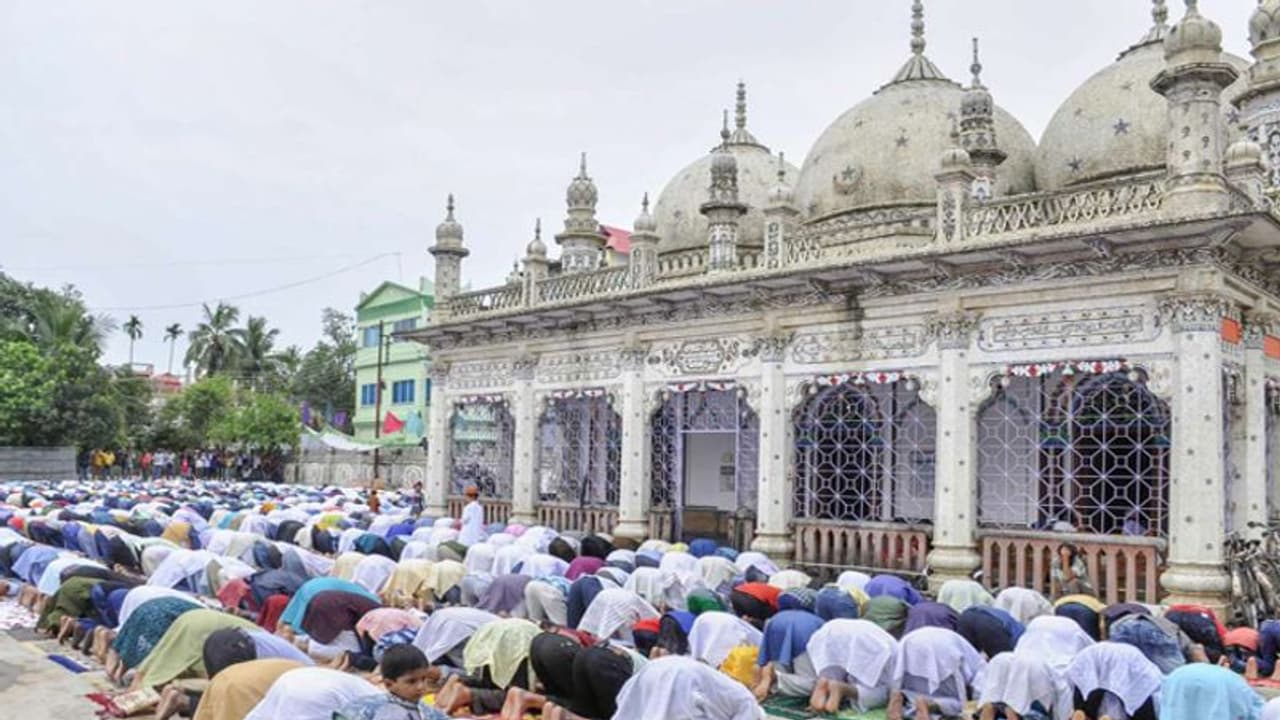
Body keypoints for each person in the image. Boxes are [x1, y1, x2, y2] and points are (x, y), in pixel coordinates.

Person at [333, 644, 449, 720]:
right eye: (411, 681)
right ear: (389, 684)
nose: (420, 686)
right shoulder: (367, 708)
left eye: (424, 679)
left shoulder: (427, 712)